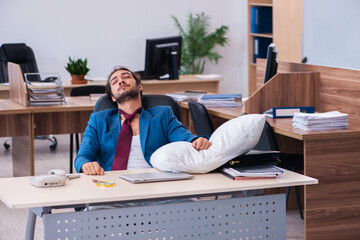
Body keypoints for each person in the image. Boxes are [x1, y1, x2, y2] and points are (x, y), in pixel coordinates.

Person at [74, 66, 212, 175]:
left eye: (126, 77)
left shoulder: (162, 115)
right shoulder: (99, 120)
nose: (121, 81)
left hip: (155, 184)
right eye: (114, 81)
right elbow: (82, 157)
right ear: (113, 97)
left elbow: (186, 138)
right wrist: (86, 165)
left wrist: (196, 141)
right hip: (112, 185)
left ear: (139, 86)